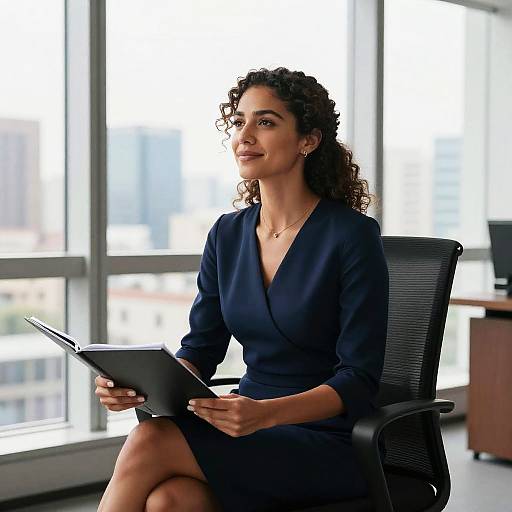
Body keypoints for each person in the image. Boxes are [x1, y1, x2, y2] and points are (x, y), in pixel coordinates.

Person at [96, 67, 389, 512]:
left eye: (265, 122)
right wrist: (145, 387)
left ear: (308, 140)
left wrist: (265, 413)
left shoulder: (352, 236)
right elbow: (201, 347)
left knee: (151, 440)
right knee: (171, 501)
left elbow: (358, 382)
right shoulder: (227, 235)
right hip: (246, 424)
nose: (244, 135)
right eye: (238, 122)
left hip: (329, 438)